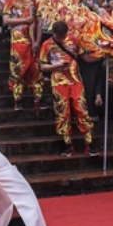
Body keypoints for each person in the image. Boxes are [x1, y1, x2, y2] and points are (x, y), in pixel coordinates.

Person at [39, 21, 98, 157]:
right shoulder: (46, 44)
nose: (60, 38)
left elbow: (85, 58)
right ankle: (67, 144)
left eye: (62, 36)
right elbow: (42, 67)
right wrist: (56, 67)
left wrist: (102, 56)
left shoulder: (74, 39)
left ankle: (89, 143)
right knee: (62, 112)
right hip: (58, 83)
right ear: (53, 33)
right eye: (58, 36)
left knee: (81, 109)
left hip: (75, 80)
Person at [3, 0, 43, 111]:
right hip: (18, 41)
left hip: (32, 42)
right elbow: (6, 21)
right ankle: (17, 99)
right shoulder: (10, 1)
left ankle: (37, 99)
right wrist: (25, 20)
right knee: (17, 70)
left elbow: (39, 23)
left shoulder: (34, 2)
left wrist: (37, 40)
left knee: (35, 70)